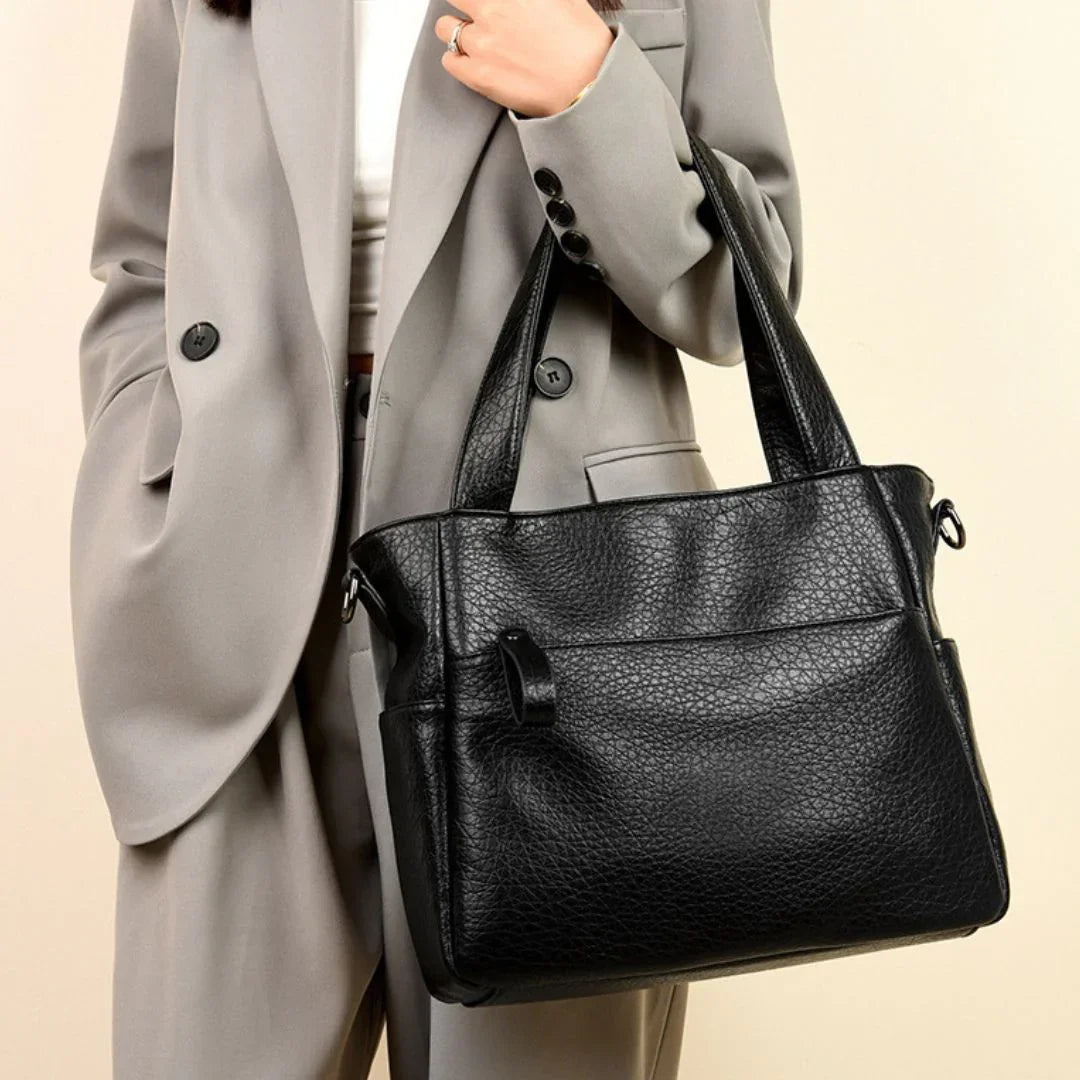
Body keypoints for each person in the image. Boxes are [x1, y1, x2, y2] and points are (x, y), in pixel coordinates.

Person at [70, 0, 802, 1076]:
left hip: (552, 617)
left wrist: (588, 89)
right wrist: (149, 458)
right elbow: (141, 257)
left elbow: (746, 299)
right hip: (230, 576)